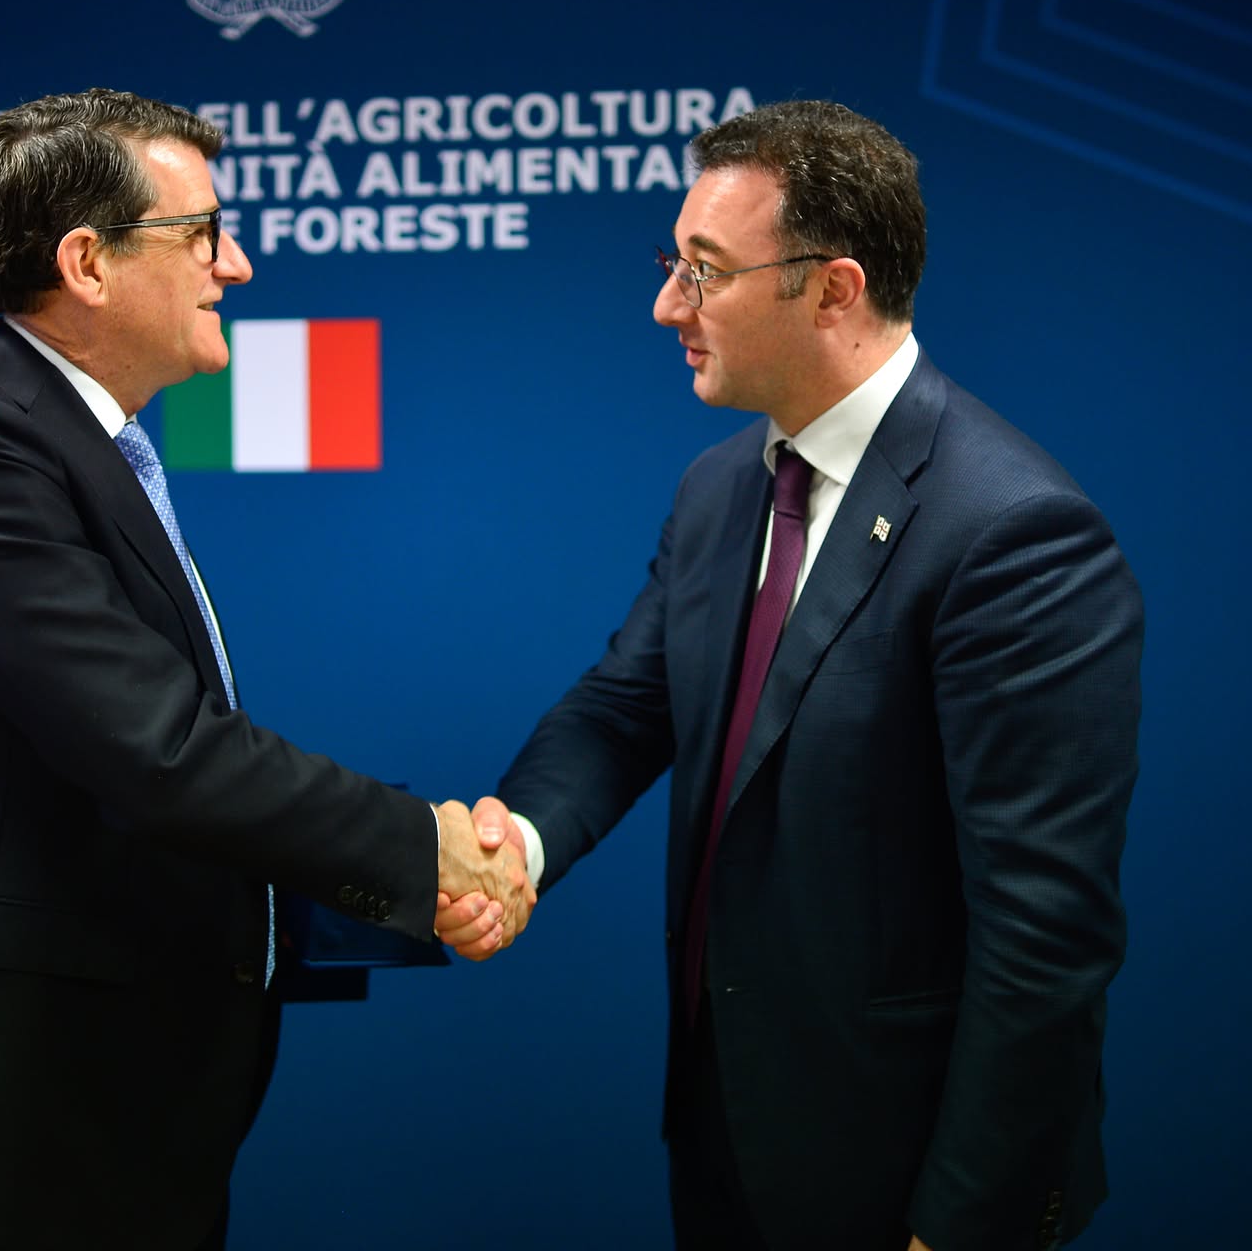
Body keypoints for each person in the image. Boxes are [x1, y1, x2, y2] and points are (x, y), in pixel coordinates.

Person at [0, 88, 527, 1251]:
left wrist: (399, 880)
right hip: (13, 1126)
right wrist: (420, 850)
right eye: (202, 234)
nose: (234, 265)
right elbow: (159, 753)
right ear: (88, 263)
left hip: (120, 1106)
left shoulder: (83, 444)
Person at [441, 100, 1143, 1250]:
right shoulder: (721, 485)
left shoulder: (1012, 532)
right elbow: (627, 706)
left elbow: (1043, 935)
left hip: (905, 1167)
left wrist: (962, 1225)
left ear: (831, 289)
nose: (667, 305)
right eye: (672, 263)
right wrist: (514, 846)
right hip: (726, 1127)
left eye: (705, 271)